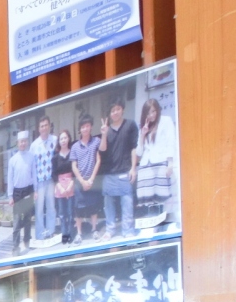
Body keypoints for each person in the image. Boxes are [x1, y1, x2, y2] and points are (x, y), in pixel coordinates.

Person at [98, 95, 140, 238]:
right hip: (109, 173)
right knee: (108, 203)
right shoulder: (107, 130)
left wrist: (133, 168)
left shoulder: (130, 125)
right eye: (112, 111)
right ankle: (110, 230)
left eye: (117, 109)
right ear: (110, 114)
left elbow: (134, 148)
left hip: (125, 171)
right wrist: (104, 134)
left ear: (122, 110)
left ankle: (127, 231)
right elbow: (102, 150)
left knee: (127, 202)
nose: (115, 112)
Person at [134, 98, 177, 225]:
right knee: (149, 202)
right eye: (148, 113)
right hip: (146, 167)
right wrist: (142, 134)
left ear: (158, 110)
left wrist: (170, 164)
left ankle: (163, 225)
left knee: (163, 198)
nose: (151, 115)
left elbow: (170, 142)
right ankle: (153, 226)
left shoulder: (166, 121)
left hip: (160, 163)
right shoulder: (144, 126)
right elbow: (139, 152)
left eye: (153, 111)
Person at [70, 116, 102, 243]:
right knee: (78, 209)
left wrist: (91, 179)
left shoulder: (96, 141)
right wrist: (82, 181)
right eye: (83, 127)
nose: (85, 129)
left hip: (92, 180)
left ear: (91, 127)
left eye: (87, 126)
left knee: (94, 207)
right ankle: (79, 233)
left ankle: (94, 230)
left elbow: (98, 160)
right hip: (80, 182)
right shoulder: (75, 146)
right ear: (80, 129)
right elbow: (74, 166)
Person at [6, 130, 36, 254]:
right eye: (21, 141)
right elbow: (10, 179)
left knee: (28, 219)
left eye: (24, 141)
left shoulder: (31, 157)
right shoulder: (13, 160)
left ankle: (27, 242)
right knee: (17, 221)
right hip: (17, 193)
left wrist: (35, 190)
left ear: (27, 142)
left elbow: (34, 175)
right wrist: (10, 196)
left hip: (28, 190)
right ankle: (15, 247)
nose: (23, 143)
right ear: (17, 143)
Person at [30, 115, 57, 242]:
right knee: (39, 209)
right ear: (38, 128)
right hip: (39, 181)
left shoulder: (55, 140)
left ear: (49, 126)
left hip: (51, 179)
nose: (44, 128)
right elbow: (32, 166)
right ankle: (40, 234)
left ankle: (51, 231)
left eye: (46, 125)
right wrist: (33, 187)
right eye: (42, 126)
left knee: (51, 206)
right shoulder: (34, 145)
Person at [52, 129, 76, 244]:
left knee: (71, 213)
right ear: (59, 141)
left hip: (71, 184)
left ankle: (71, 234)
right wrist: (60, 187)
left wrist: (70, 185)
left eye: (65, 138)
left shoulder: (73, 153)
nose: (63, 140)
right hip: (60, 186)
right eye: (61, 138)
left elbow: (75, 171)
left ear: (69, 139)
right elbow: (53, 174)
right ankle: (64, 235)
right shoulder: (55, 157)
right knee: (62, 214)